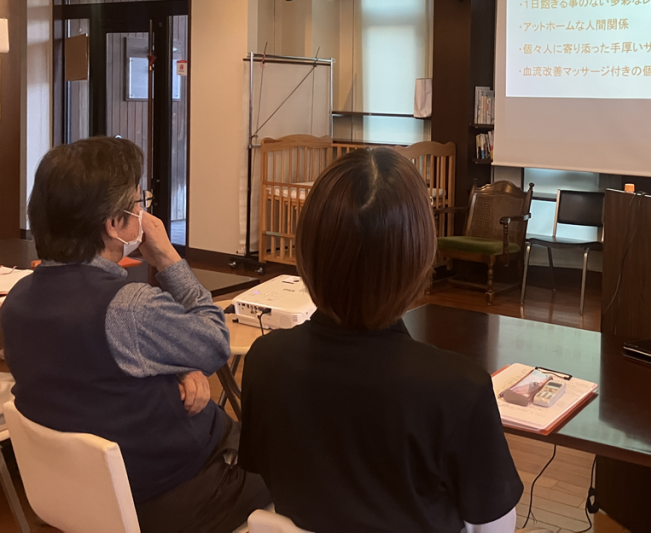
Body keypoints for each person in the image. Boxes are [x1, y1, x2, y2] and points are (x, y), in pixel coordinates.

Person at [239, 147, 523, 533]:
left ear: (307, 248)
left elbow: (265, 476)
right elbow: (493, 524)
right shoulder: (459, 389)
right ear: (419, 255)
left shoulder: (264, 361)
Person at [2, 137, 270, 533]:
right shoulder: (130, 307)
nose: (144, 213)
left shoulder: (18, 300)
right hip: (172, 496)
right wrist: (169, 259)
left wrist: (178, 367)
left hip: (77, 496)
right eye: (138, 202)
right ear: (114, 224)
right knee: (296, 463)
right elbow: (215, 343)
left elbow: (93, 370)